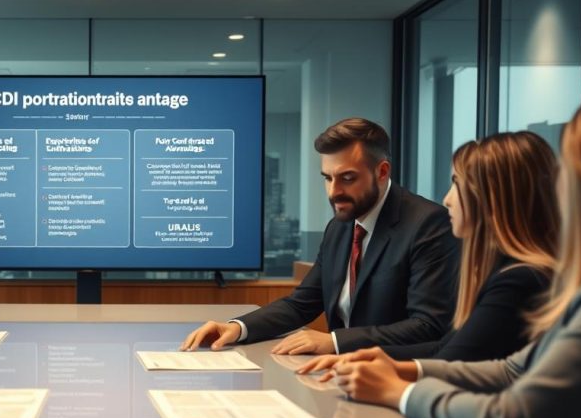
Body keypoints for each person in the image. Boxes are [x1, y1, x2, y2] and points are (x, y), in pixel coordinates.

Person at [329, 95, 581, 418]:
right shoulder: (573, 277)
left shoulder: (529, 281)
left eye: (571, 166)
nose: (445, 199)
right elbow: (511, 370)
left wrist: (399, 390)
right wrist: (403, 369)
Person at [182, 118, 459, 355]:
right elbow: (302, 303)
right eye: (328, 178)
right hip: (343, 375)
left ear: (382, 172)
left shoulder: (428, 224)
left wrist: (336, 342)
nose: (333, 191)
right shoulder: (340, 227)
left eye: (347, 178)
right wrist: (237, 328)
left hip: (399, 380)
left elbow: (428, 325)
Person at [298, 131, 558, 377]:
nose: (447, 199)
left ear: (495, 199)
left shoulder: (519, 280)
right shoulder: (501, 271)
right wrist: (359, 358)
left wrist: (370, 367)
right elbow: (443, 349)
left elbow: (451, 363)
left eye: (457, 184)